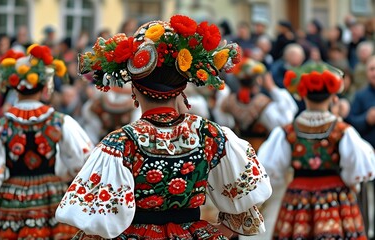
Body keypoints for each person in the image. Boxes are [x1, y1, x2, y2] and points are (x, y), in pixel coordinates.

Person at [56, 15, 272, 239]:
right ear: (182, 88)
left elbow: (95, 223)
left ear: (135, 91)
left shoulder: (119, 143)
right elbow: (245, 204)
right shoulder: (211, 134)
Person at [0, 45, 93, 239]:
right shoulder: (60, 121)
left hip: (13, 193)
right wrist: (66, 177)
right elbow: (80, 159)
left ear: (14, 87)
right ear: (45, 87)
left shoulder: (1, 125)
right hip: (51, 192)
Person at [259, 62, 375, 239]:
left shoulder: (286, 132)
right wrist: (352, 184)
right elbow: (356, 168)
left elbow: (272, 169)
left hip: (298, 198)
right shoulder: (343, 131)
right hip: (335, 199)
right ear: (332, 96)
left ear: (303, 95)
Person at [222, 58, 298, 150]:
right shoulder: (263, 103)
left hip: (239, 149)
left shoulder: (229, 100)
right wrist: (272, 88)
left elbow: (223, 122)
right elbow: (286, 120)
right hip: (260, 151)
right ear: (259, 80)